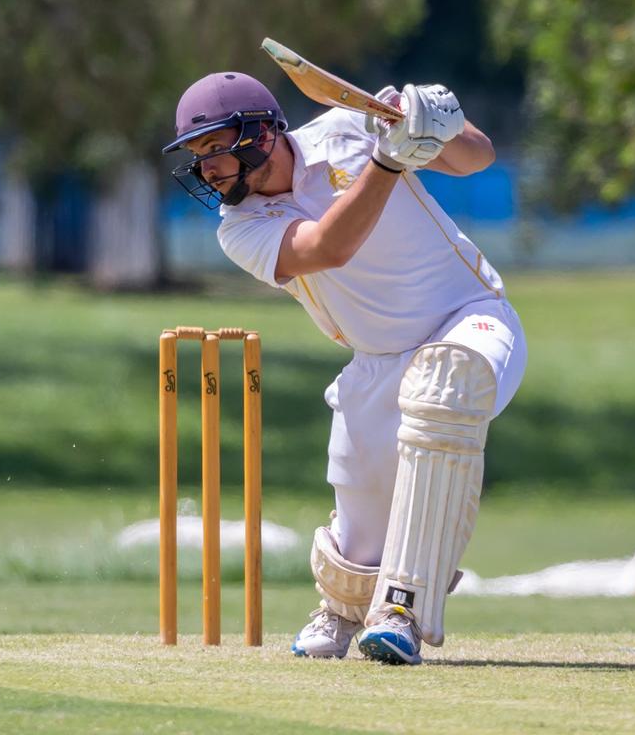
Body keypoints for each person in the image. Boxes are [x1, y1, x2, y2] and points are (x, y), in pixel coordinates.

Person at [163, 72, 527, 665]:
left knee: (445, 387)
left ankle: (402, 610)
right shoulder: (241, 229)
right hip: (376, 359)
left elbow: (477, 159)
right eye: (198, 157)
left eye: (214, 151)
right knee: (360, 523)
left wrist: (431, 122)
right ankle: (344, 608)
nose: (206, 171)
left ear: (258, 136)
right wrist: (386, 163)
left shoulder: (351, 128)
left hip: (471, 319)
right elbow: (328, 248)